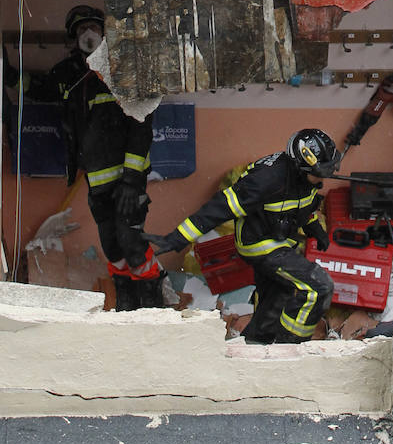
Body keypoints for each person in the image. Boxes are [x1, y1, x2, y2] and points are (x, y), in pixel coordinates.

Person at [145, 128, 339, 343]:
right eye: (319, 173)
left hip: (280, 240)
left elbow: (302, 206)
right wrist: (178, 237)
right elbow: (220, 208)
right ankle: (290, 346)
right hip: (259, 243)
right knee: (317, 286)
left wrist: (315, 229)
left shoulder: (305, 179)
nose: (323, 178)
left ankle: (256, 342)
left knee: (276, 296)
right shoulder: (267, 179)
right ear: (300, 166)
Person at [42, 5, 164, 311]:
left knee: (132, 243)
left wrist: (133, 182)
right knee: (111, 246)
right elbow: (42, 90)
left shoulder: (122, 71)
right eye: (80, 29)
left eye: (92, 27)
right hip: (98, 182)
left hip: (126, 181)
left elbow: (141, 123)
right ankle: (126, 301)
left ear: (104, 30)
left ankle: (151, 302)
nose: (87, 34)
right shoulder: (70, 75)